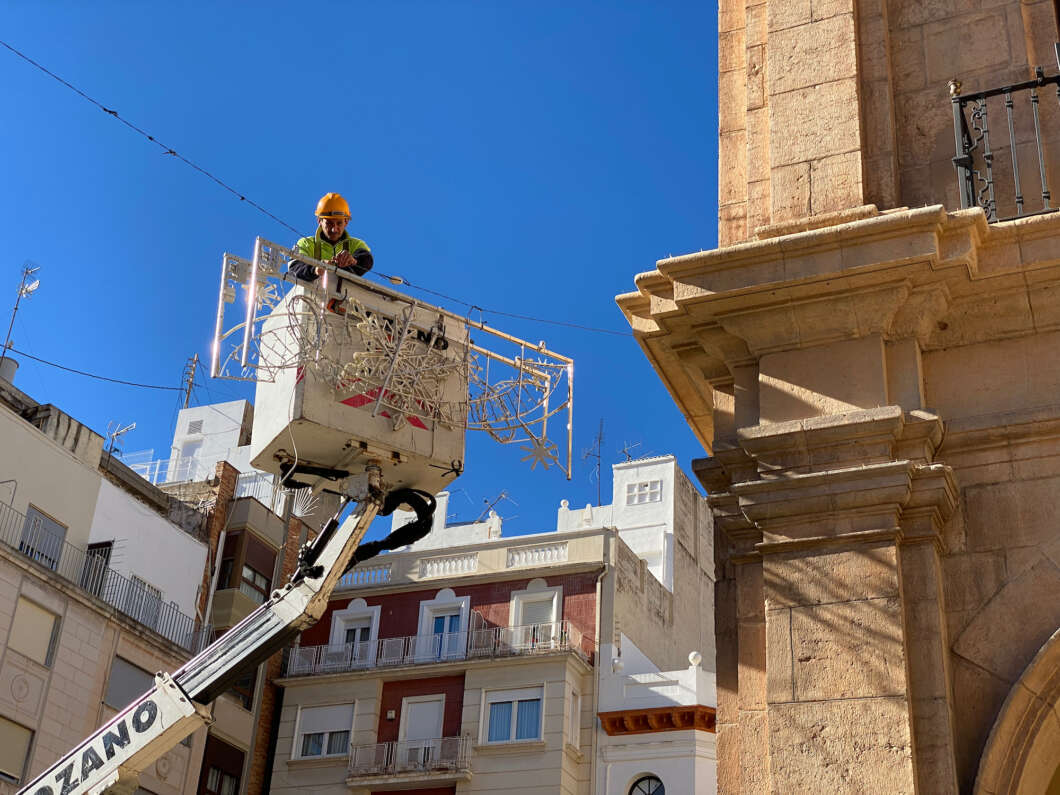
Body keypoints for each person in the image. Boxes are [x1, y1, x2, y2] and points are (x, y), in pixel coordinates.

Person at [288, 192, 373, 283]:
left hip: (343, 296)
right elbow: (294, 267)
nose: (334, 229)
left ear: (346, 222)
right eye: (329, 223)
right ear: (319, 221)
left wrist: (353, 260)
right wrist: (315, 269)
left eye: (339, 223)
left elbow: (367, 260)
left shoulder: (356, 244)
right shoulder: (307, 243)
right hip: (311, 296)